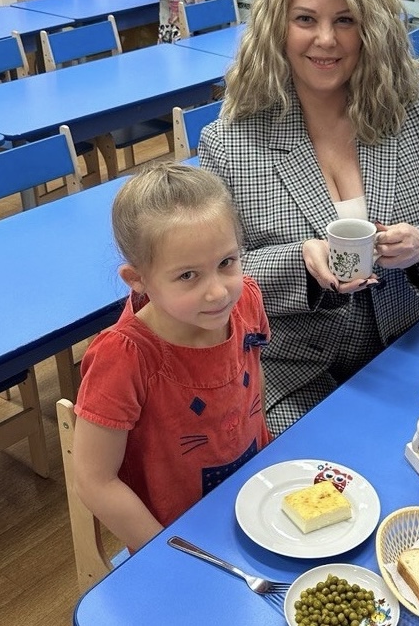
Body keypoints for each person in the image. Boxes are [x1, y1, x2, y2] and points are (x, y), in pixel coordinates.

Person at [199, 0, 419, 436]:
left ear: (371, 28)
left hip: (410, 348)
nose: (326, 39)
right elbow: (216, 280)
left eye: (345, 20)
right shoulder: (230, 141)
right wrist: (302, 263)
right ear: (276, 26)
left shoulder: (411, 108)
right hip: (295, 372)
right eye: (305, 19)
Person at [72, 162, 271, 551]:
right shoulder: (124, 357)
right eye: (188, 276)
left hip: (253, 503)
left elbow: (253, 377)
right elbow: (94, 481)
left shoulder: (246, 300)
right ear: (138, 280)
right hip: (174, 537)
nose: (218, 292)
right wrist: (169, 555)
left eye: (226, 262)